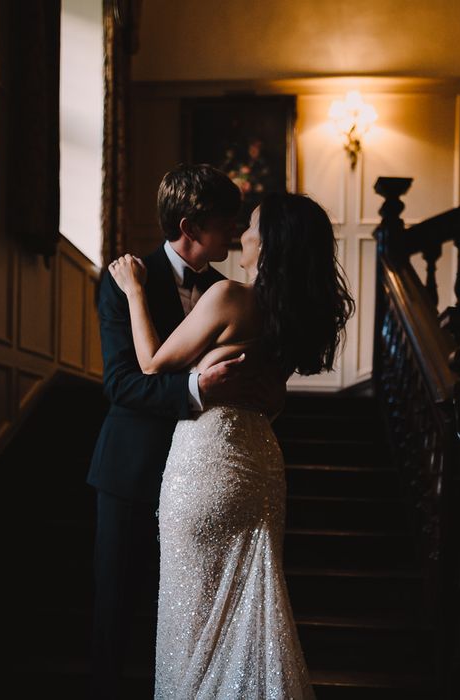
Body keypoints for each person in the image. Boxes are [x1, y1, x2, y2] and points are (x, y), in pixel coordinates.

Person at [108, 191, 355, 698]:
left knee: (193, 630)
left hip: (207, 466)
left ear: (269, 243)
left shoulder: (230, 298)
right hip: (260, 470)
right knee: (251, 617)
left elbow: (152, 362)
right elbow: (272, 398)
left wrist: (134, 290)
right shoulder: (294, 317)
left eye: (254, 225)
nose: (243, 232)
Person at [86, 164, 285, 698]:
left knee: (184, 619)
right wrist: (199, 392)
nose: (238, 232)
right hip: (131, 471)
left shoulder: (230, 293)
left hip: (202, 476)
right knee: (115, 611)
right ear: (190, 227)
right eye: (227, 223)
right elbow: (122, 383)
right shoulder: (127, 281)